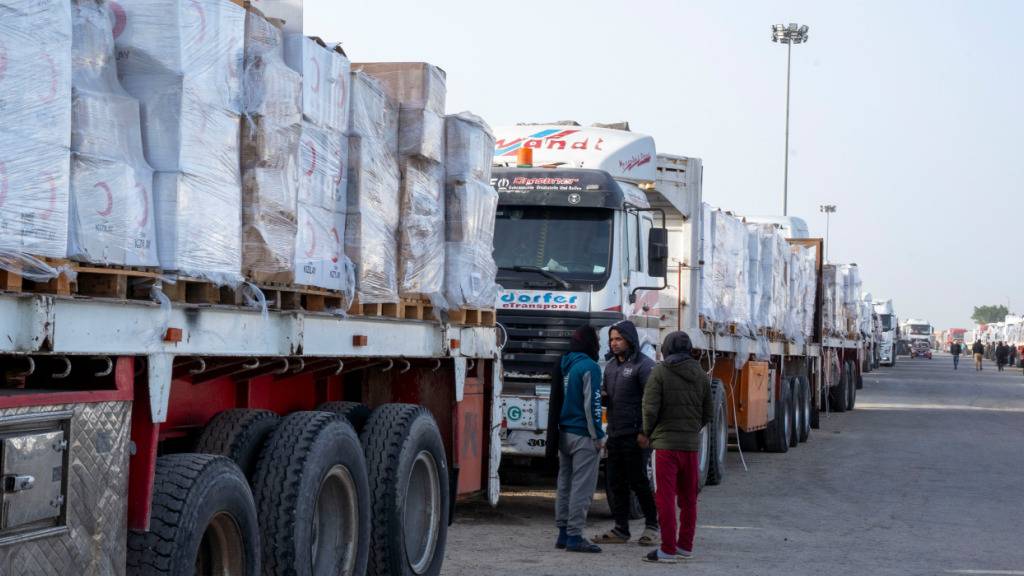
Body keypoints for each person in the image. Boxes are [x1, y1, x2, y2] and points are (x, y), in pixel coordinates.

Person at [639, 331, 712, 564]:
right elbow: (708, 412)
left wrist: (646, 433)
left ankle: (667, 549)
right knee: (689, 498)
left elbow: (649, 408)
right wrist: (691, 430)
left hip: (665, 448)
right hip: (690, 447)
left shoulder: (660, 372)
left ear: (667, 349)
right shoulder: (700, 374)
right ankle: (685, 546)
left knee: (665, 498)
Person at [592, 321, 659, 547]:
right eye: (612, 339)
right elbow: (608, 397)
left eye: (618, 339)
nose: (614, 343)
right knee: (615, 483)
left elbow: (651, 402)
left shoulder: (645, 366)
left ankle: (652, 526)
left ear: (630, 340)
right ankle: (621, 529)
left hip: (636, 436)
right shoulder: (610, 367)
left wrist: (644, 432)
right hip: (615, 434)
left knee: (639, 481)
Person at [552, 325, 606, 553]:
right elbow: (592, 405)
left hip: (563, 433)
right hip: (583, 436)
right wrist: (599, 436)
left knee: (564, 484)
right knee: (582, 488)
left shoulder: (566, 364)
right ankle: (575, 536)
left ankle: (563, 534)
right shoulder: (590, 367)